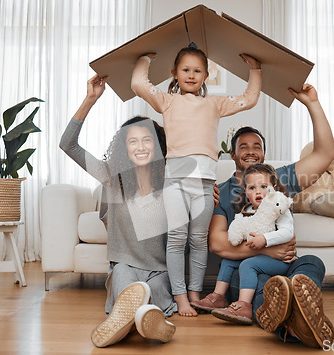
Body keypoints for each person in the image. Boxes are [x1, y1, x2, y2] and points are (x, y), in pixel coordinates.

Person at [131, 44, 263, 317]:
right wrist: (145, 58)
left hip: (203, 185)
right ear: (175, 73)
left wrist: (255, 68)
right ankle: (180, 297)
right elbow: (137, 83)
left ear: (206, 75)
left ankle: (195, 293)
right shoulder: (167, 101)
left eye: (197, 70)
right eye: (186, 70)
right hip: (176, 182)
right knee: (177, 240)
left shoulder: (214, 104)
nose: (191, 75)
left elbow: (249, 99)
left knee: (199, 241)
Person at [208, 84, 334, 348]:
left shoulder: (280, 179)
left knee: (312, 262)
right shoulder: (221, 191)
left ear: (264, 153)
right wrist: (266, 252)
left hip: (288, 263)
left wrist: (312, 103)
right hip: (252, 270)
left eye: (257, 146)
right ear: (232, 154)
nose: (251, 150)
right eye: (243, 146)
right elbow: (217, 243)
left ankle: (302, 307)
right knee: (264, 287)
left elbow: (326, 154)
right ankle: (293, 328)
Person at [59, 74, 176, 348]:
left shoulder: (171, 180)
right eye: (132, 141)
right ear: (124, 148)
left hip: (159, 270)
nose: (140, 147)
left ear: (158, 145)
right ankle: (151, 324)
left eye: (147, 140)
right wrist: (91, 99)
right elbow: (68, 145)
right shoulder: (112, 177)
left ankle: (130, 324)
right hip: (124, 266)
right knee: (127, 287)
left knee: (154, 289)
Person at [191, 163, 296, 325]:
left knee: (247, 265)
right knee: (228, 260)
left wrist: (265, 240)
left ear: (273, 188)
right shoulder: (248, 210)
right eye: (252, 188)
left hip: (280, 261)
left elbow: (288, 232)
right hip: (263, 256)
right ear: (246, 192)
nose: (258, 191)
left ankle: (244, 305)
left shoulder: (278, 208)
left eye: (263, 186)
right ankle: (218, 296)